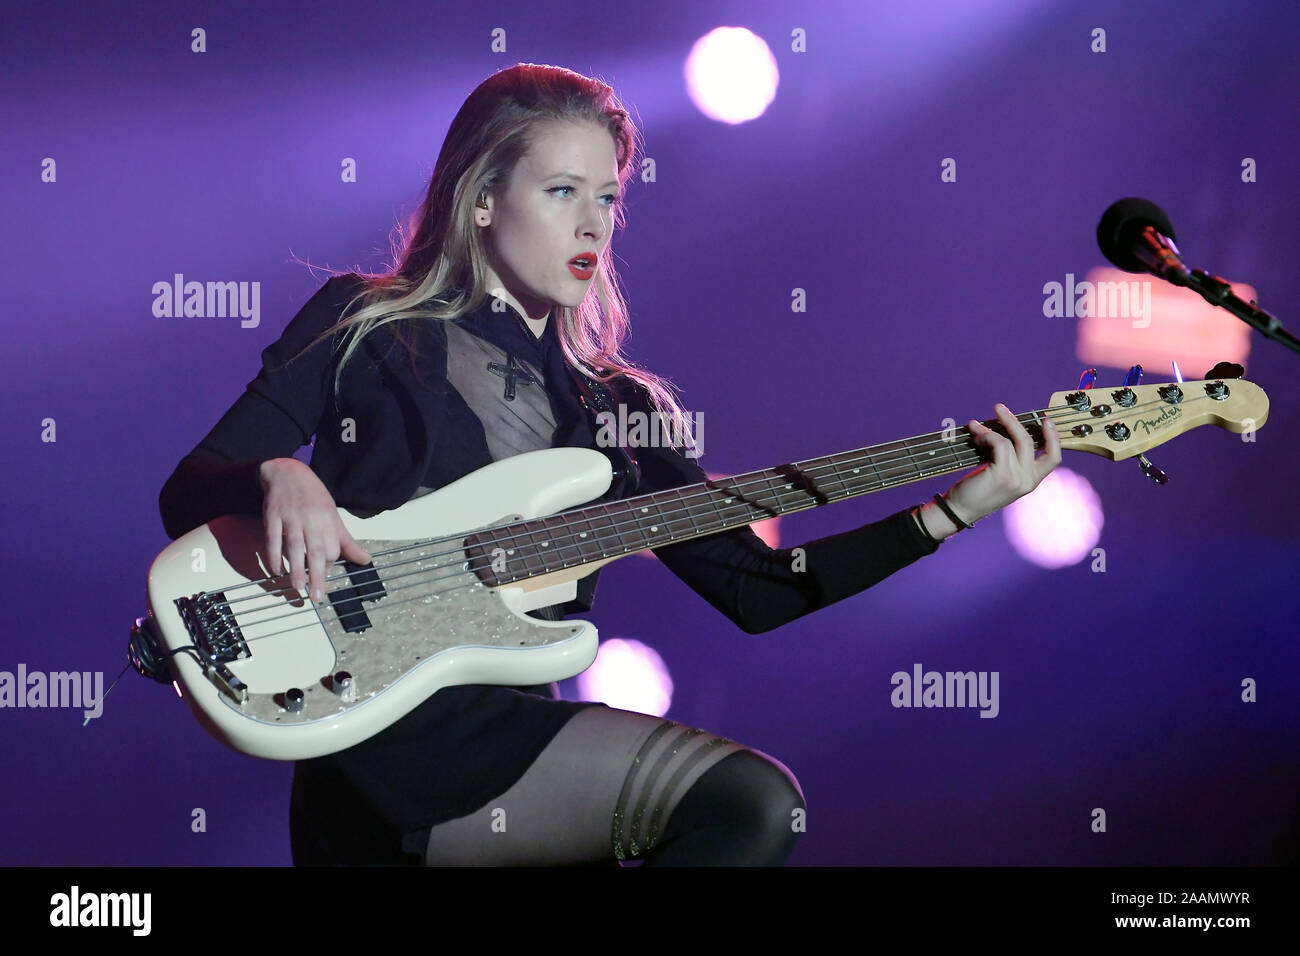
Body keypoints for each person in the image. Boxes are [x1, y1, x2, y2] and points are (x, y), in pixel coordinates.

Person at [158, 63, 1061, 867]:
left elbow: (760, 590)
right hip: (359, 727)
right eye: (562, 191)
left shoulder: (624, 414)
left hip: (508, 741)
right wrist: (276, 475)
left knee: (755, 808)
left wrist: (952, 512)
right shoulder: (365, 326)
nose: (594, 222)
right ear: (481, 199)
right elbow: (191, 484)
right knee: (751, 804)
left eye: (610, 197)